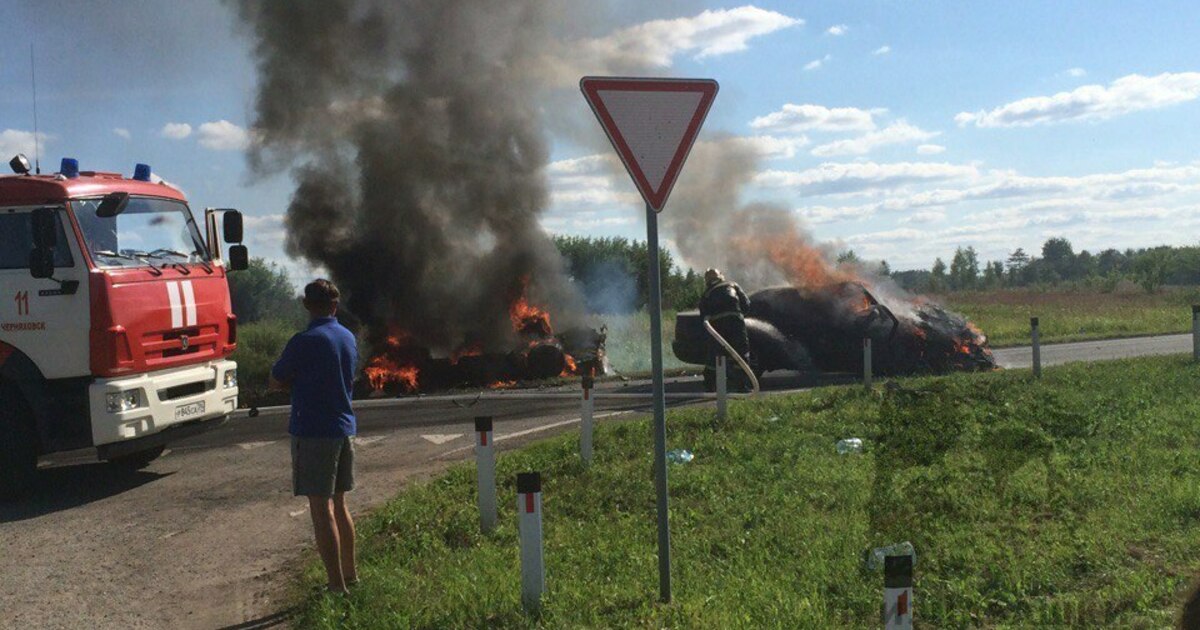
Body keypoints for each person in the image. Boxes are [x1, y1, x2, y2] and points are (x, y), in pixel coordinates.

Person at [269, 279, 359, 595]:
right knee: (341, 503)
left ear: (307, 305)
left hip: (313, 433)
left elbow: (277, 379)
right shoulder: (347, 337)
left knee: (321, 510)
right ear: (335, 305)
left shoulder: (303, 341)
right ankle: (350, 575)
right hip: (342, 428)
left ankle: (336, 586)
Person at [698, 268, 752, 392]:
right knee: (741, 354)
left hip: (717, 329)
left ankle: (709, 386)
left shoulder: (707, 294)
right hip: (736, 326)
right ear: (721, 276)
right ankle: (742, 386)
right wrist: (740, 315)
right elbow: (746, 305)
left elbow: (703, 314)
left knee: (715, 357)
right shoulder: (733, 285)